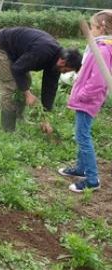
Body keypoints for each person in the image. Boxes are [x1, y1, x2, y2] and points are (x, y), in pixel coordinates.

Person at [0, 27, 82, 132]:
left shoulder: (56, 63)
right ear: (62, 61)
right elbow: (17, 69)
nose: (65, 72)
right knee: (11, 87)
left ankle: (19, 118)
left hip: (16, 52)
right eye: (66, 70)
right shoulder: (43, 51)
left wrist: (45, 118)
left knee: (25, 82)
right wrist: (27, 94)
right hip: (1, 45)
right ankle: (8, 129)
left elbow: (49, 89)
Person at [58, 10, 112, 193]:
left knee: (83, 136)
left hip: (87, 100)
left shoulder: (102, 50)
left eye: (92, 26)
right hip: (87, 99)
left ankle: (91, 178)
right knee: (81, 134)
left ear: (101, 27)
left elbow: (98, 82)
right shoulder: (99, 46)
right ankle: (81, 168)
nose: (90, 29)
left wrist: (80, 95)